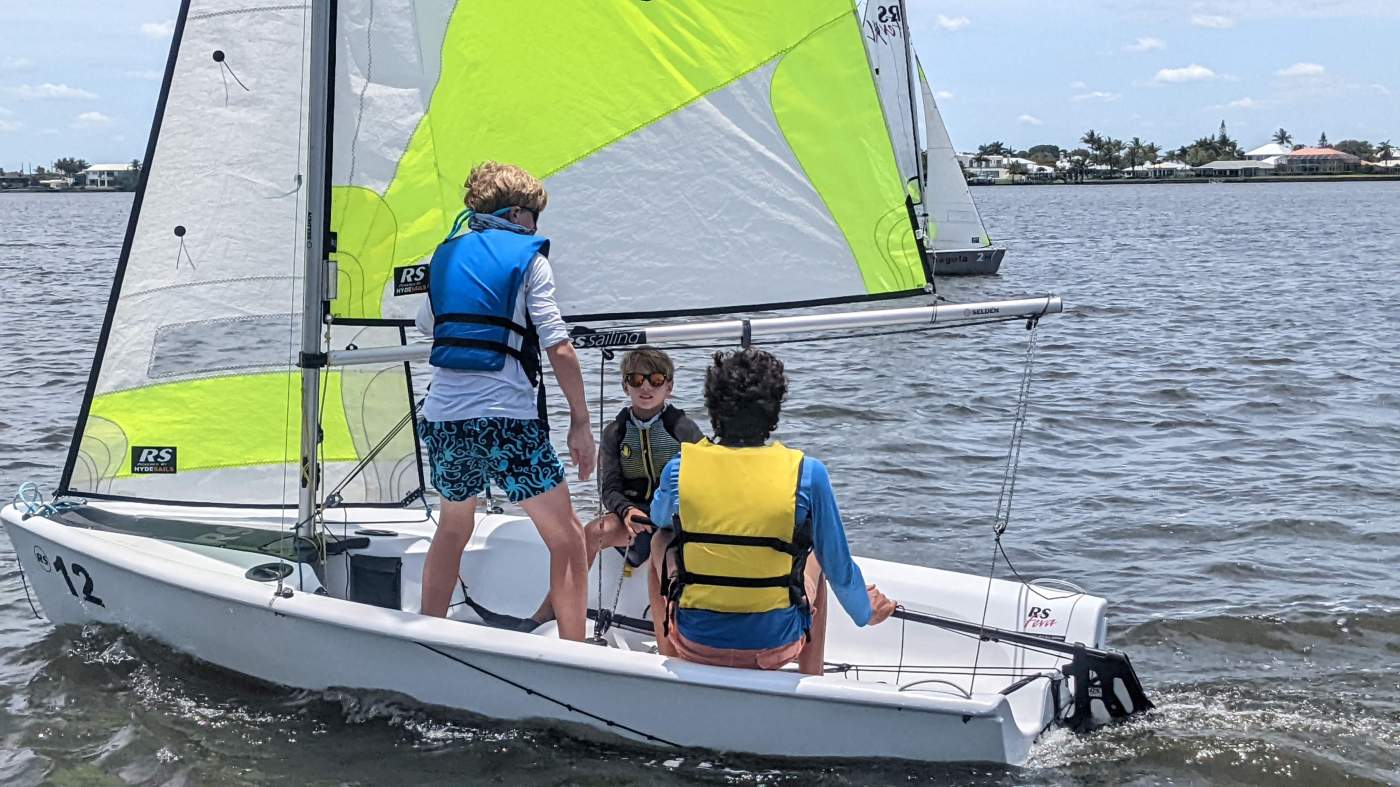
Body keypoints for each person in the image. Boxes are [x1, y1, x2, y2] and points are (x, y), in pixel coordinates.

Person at [415, 161, 595, 642]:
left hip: (444, 418)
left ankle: (428, 638)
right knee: (568, 537)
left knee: (454, 526)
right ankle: (577, 656)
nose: (536, 227)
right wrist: (580, 422)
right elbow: (558, 345)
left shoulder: (444, 257)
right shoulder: (530, 258)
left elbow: (428, 326)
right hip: (506, 422)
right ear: (518, 215)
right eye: (534, 218)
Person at [646, 349, 896, 674]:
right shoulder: (807, 472)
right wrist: (866, 613)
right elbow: (841, 569)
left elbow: (659, 520)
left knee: (659, 541)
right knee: (817, 555)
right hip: (776, 645)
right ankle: (811, 676)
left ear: (714, 408)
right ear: (773, 410)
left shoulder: (680, 469)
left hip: (696, 640)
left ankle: (672, 658)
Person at [529, 346, 704, 624]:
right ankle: (551, 611)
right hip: (633, 517)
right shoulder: (616, 432)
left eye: (656, 380)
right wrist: (626, 512)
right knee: (589, 532)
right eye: (636, 380)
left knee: (674, 553)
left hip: (675, 520)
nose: (646, 387)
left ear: (669, 386)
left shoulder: (683, 429)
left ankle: (684, 624)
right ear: (625, 386)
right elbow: (608, 488)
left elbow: (708, 478)